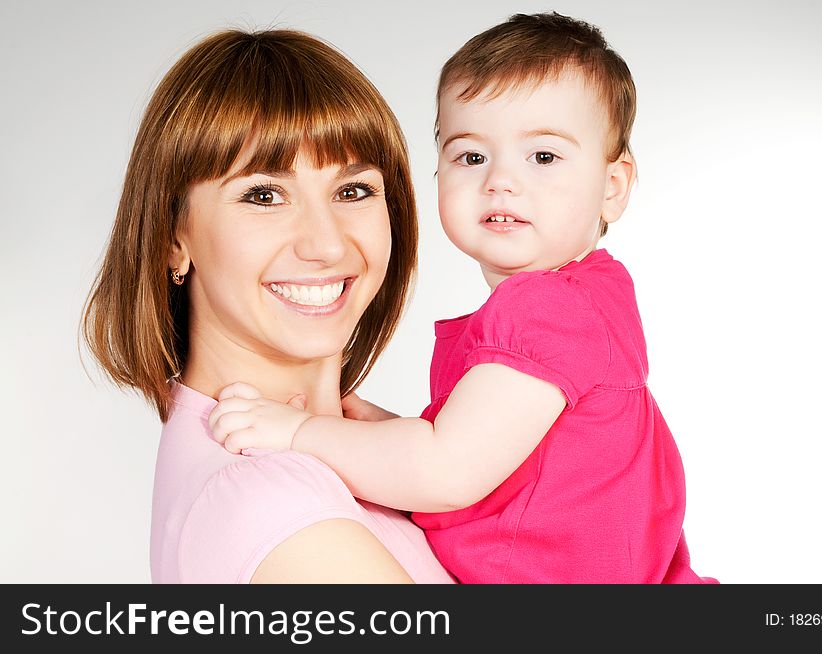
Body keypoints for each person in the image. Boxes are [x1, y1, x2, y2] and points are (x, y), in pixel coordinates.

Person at [210, 13, 718, 584]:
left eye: (543, 157)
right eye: (471, 156)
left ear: (613, 186)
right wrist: (380, 427)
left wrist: (298, 433)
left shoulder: (547, 312)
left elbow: (446, 472)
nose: (501, 180)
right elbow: (505, 459)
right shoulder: (589, 298)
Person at [81, 27, 455, 584]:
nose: (326, 245)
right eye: (263, 196)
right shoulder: (275, 506)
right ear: (172, 238)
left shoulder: (392, 457)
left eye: (353, 191)